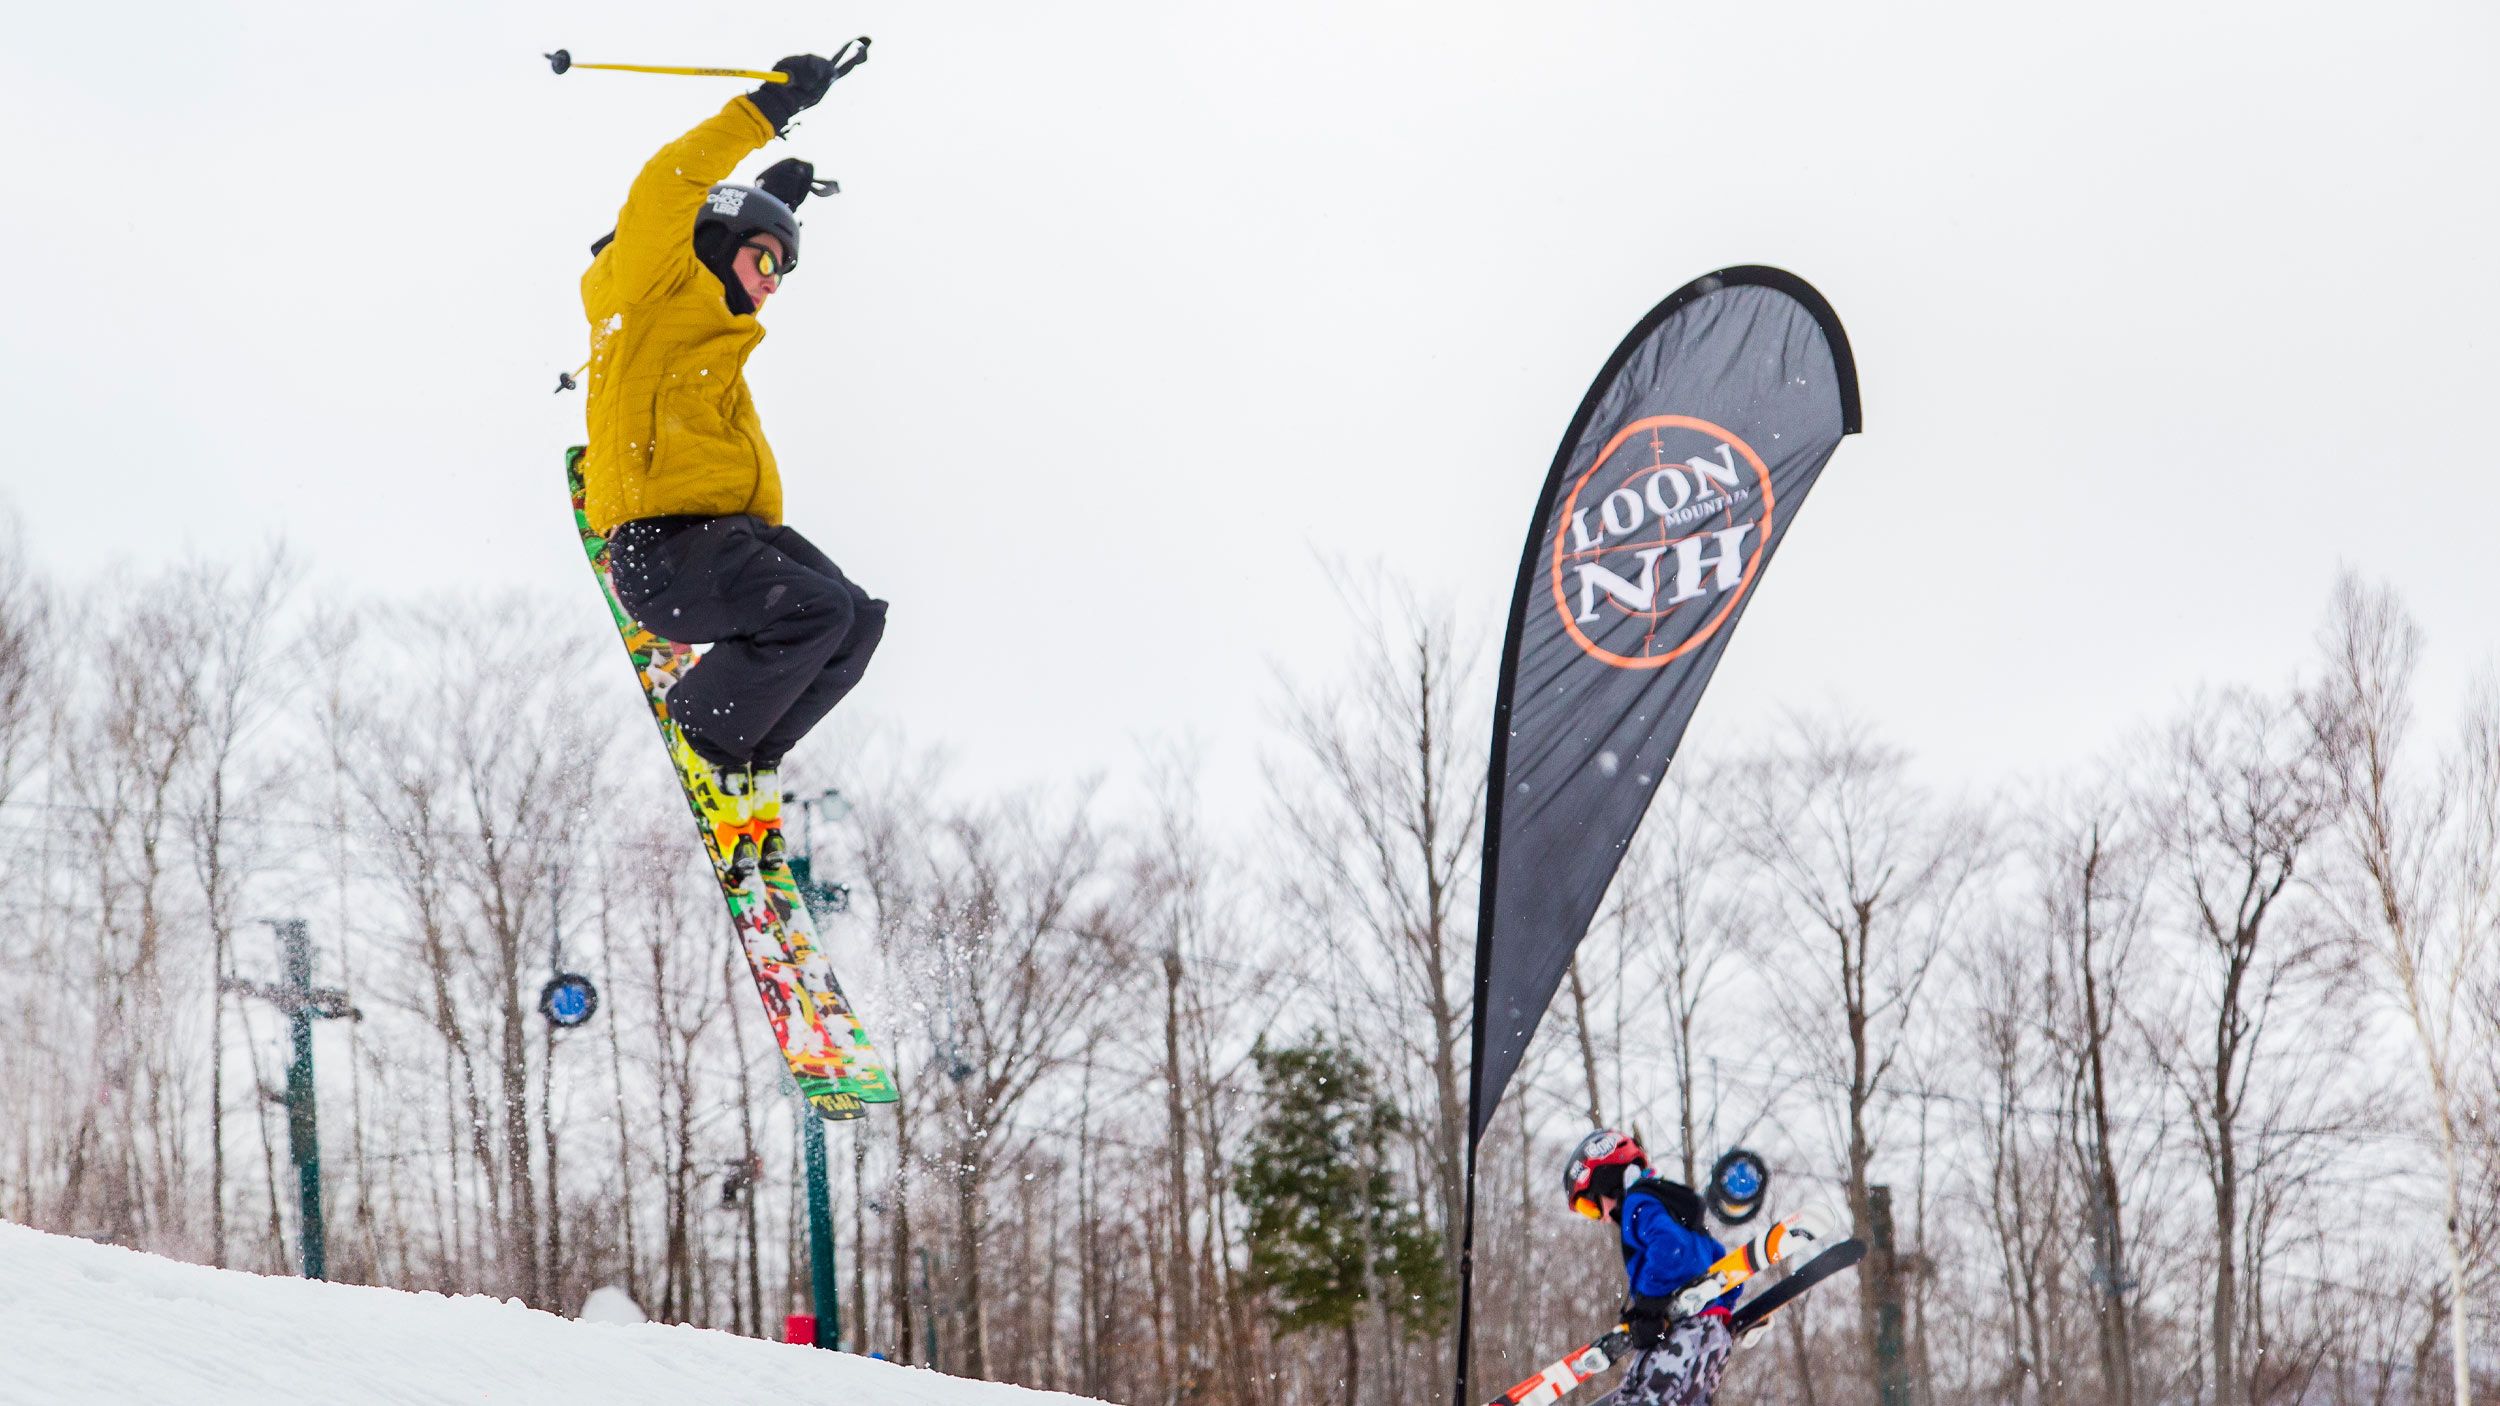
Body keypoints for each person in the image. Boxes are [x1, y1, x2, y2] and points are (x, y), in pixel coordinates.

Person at [578, 47, 885, 835]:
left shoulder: (720, 334)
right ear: (715, 242)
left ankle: (747, 756)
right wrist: (765, 113)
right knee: (815, 612)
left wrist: (767, 205)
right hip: (666, 550)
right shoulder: (651, 291)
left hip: (730, 538)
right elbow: (668, 186)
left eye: (785, 268)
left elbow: (714, 221)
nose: (775, 280)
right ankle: (708, 732)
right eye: (765, 258)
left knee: (856, 621)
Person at [1564, 1129, 1738, 1406]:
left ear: (1607, 1181)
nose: (1601, 1218)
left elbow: (1669, 1247)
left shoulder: (1638, 1203)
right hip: (1700, 1338)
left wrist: (1648, 1303)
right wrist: (1726, 1314)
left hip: (1687, 1336)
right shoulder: (1676, 1212)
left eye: (1590, 1206)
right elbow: (1722, 1264)